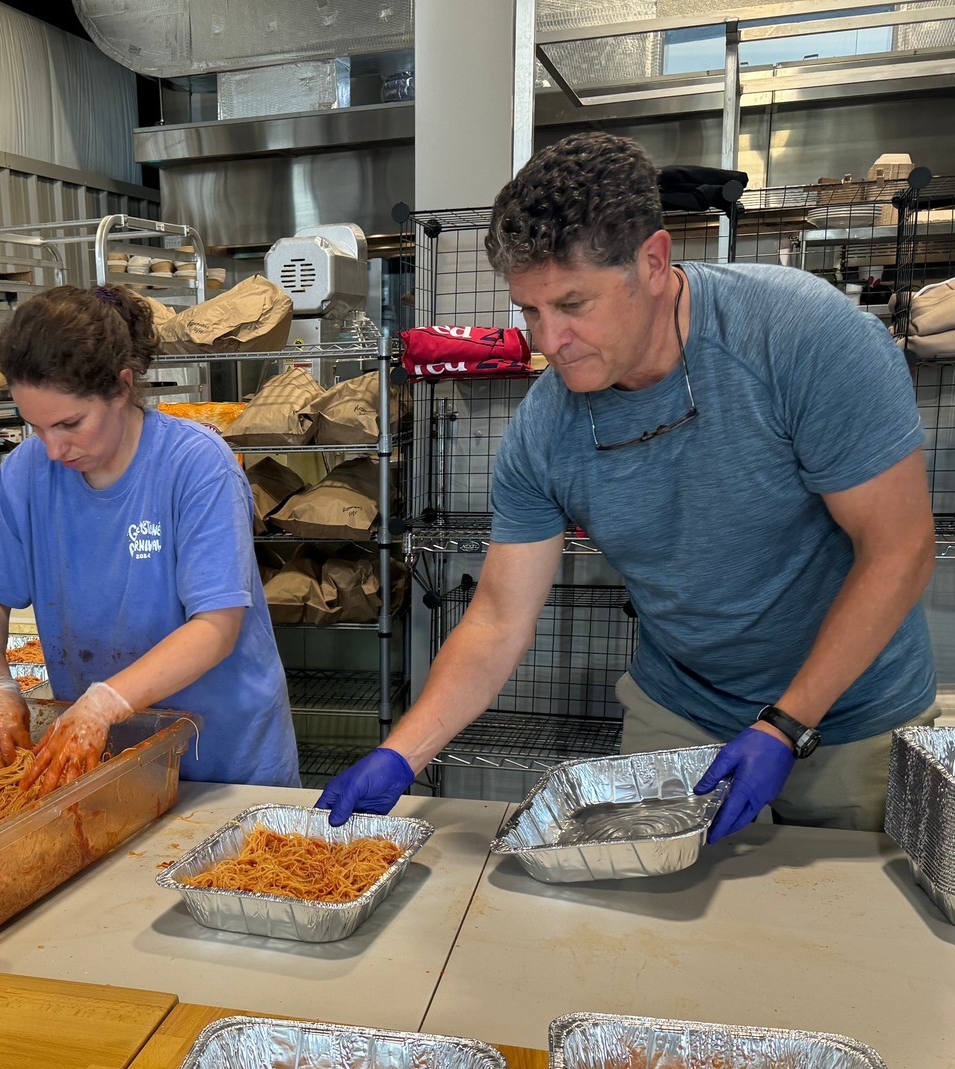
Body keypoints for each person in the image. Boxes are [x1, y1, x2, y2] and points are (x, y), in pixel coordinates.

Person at [319, 133, 937, 840]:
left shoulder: (800, 338)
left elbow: (899, 551)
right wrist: (403, 751)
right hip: (682, 706)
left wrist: (785, 723)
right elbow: (496, 619)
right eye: (529, 311)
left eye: (574, 303)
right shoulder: (544, 429)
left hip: (852, 714)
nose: (551, 340)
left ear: (653, 261)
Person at [0, 283, 299, 794]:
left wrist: (104, 702)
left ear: (120, 387)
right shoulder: (26, 473)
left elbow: (216, 627)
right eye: (36, 427)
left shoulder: (196, 465)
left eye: (70, 423)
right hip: (112, 760)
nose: (53, 449)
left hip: (221, 761)